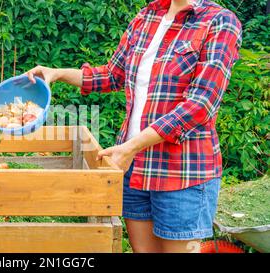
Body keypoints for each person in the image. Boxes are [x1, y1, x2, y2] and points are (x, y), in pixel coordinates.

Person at [25, 0, 242, 253]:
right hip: (135, 167)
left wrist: (131, 146)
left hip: (182, 172)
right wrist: (56, 73)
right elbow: (112, 75)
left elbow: (200, 105)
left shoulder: (219, 21)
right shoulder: (147, 15)